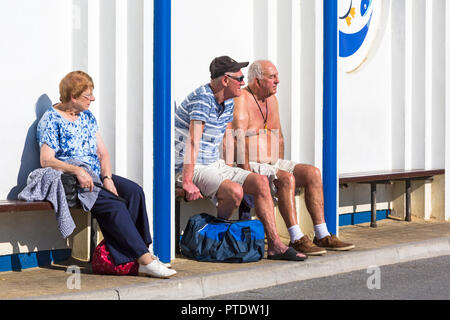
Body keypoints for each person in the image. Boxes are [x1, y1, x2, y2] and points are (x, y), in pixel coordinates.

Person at [37, 71, 176, 278]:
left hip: (94, 173)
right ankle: (143, 260)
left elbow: (103, 154)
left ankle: (141, 253)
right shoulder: (51, 119)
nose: (92, 99)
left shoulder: (87, 116)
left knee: (134, 192)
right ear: (73, 97)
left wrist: (107, 178)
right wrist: (77, 170)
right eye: (88, 95)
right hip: (73, 177)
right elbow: (46, 159)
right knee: (114, 205)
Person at [175, 56, 306, 261]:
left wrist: (232, 172)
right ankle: (216, 240)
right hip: (192, 166)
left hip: (213, 164)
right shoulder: (203, 98)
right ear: (225, 80)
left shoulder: (228, 102)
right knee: (234, 191)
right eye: (239, 78)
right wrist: (188, 181)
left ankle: (275, 245)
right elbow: (193, 142)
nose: (243, 83)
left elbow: (227, 139)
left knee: (260, 181)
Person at [232, 60, 355, 255]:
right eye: (272, 77)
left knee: (313, 173)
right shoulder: (242, 99)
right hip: (252, 165)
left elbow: (278, 135)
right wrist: (246, 173)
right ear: (257, 81)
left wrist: (279, 162)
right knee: (286, 178)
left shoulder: (271, 100)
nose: (277, 81)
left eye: (277, 77)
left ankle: (322, 234)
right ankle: (296, 237)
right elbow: (238, 136)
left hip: (272, 162)